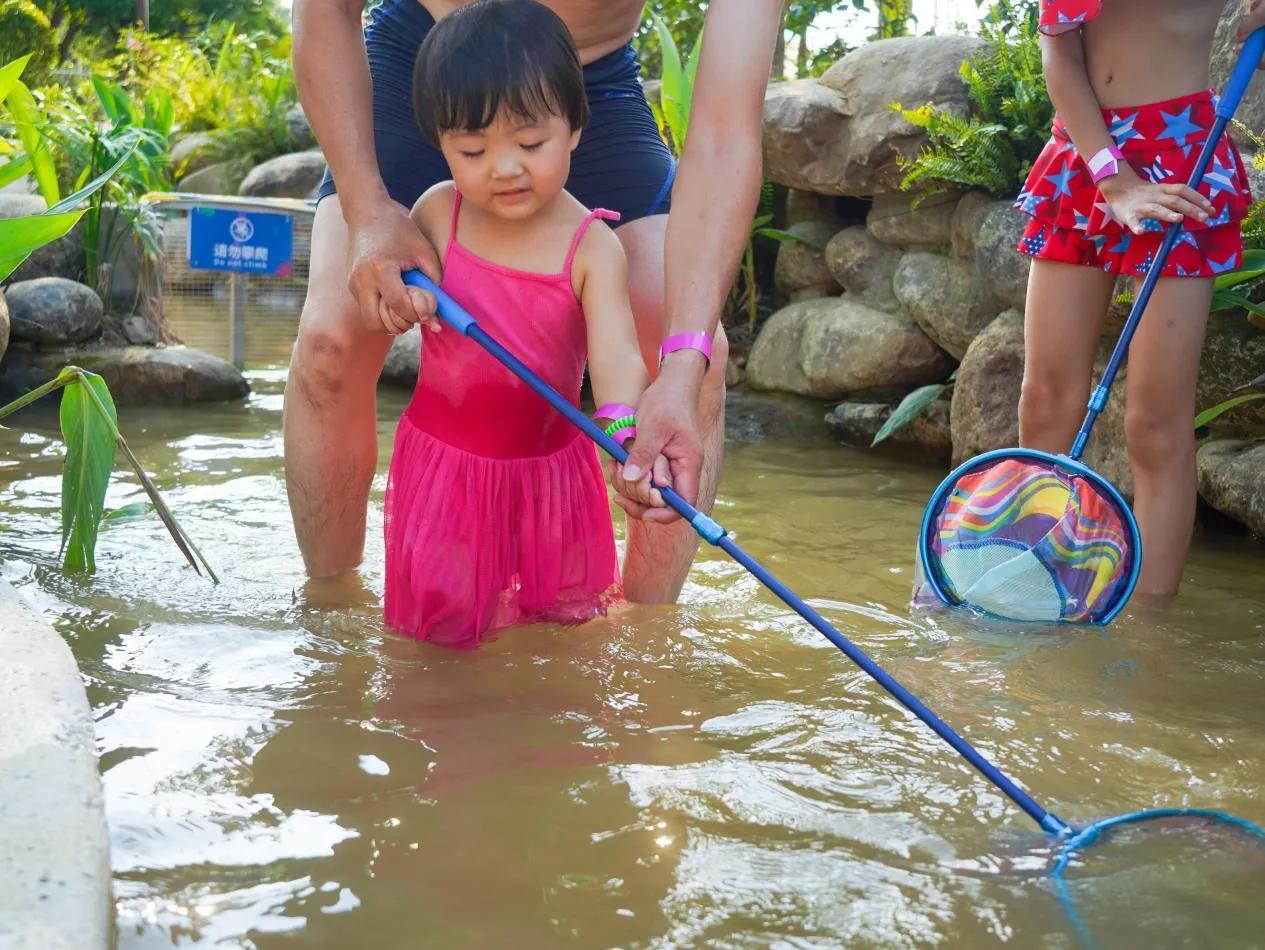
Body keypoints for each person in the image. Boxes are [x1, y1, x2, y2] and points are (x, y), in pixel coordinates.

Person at [287, 0, 783, 604]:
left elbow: (726, 132)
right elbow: (324, 8)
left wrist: (682, 365)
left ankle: (644, 639)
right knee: (330, 344)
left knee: (700, 364)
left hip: (581, 78)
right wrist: (367, 209)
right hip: (430, 62)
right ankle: (330, 608)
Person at [382, 0, 662, 646]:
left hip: (552, 478)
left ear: (574, 128)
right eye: (473, 150)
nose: (504, 168)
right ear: (441, 146)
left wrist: (621, 428)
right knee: (438, 638)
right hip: (446, 474)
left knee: (563, 634)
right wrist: (402, 299)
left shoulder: (592, 245)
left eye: (530, 143)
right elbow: (394, 294)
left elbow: (616, 356)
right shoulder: (435, 215)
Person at [1014, 0, 1263, 597]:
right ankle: (1021, 589)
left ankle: (1149, 638)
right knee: (1045, 396)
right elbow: (1060, 51)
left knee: (1154, 422)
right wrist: (1114, 178)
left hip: (1184, 160)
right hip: (1086, 156)